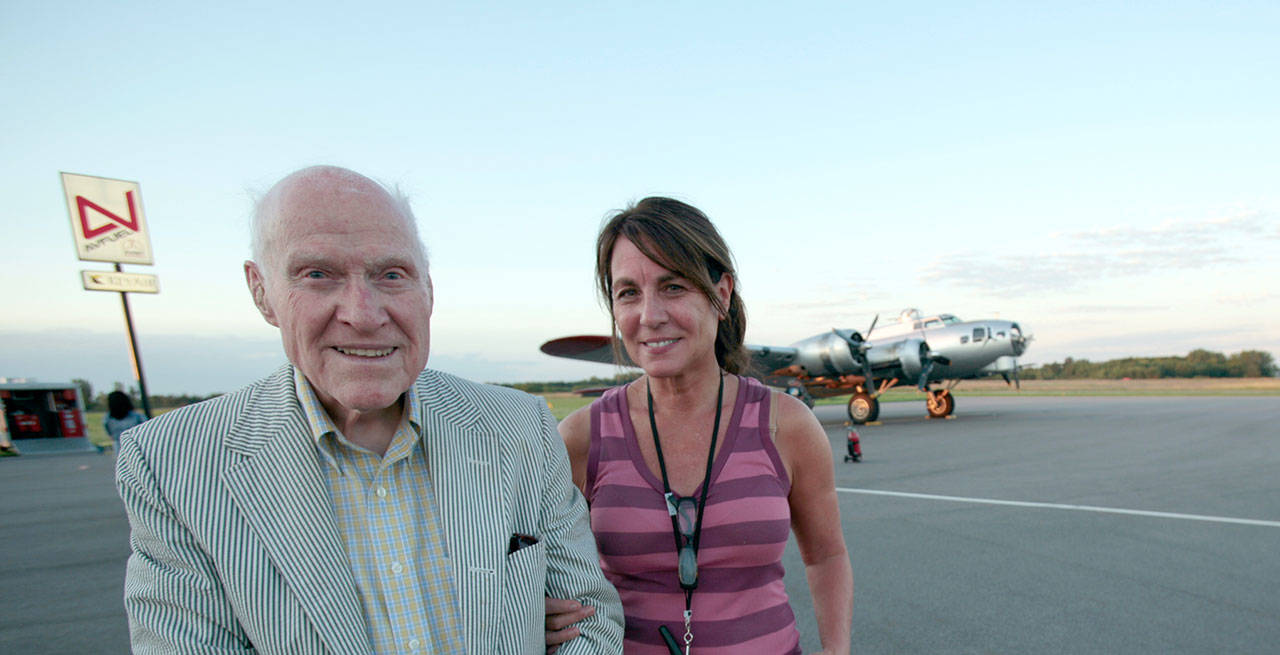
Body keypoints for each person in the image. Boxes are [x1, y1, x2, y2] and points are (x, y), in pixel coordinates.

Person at [116, 165, 624, 654]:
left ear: (429, 289)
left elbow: (590, 619)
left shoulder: (519, 426)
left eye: (391, 274)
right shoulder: (170, 464)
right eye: (317, 275)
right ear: (261, 292)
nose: (363, 314)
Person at [549, 197, 853, 654]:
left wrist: (836, 651)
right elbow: (537, 570)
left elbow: (827, 555)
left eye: (673, 287)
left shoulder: (786, 426)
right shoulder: (580, 438)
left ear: (722, 294)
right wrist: (538, 609)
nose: (649, 315)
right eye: (628, 292)